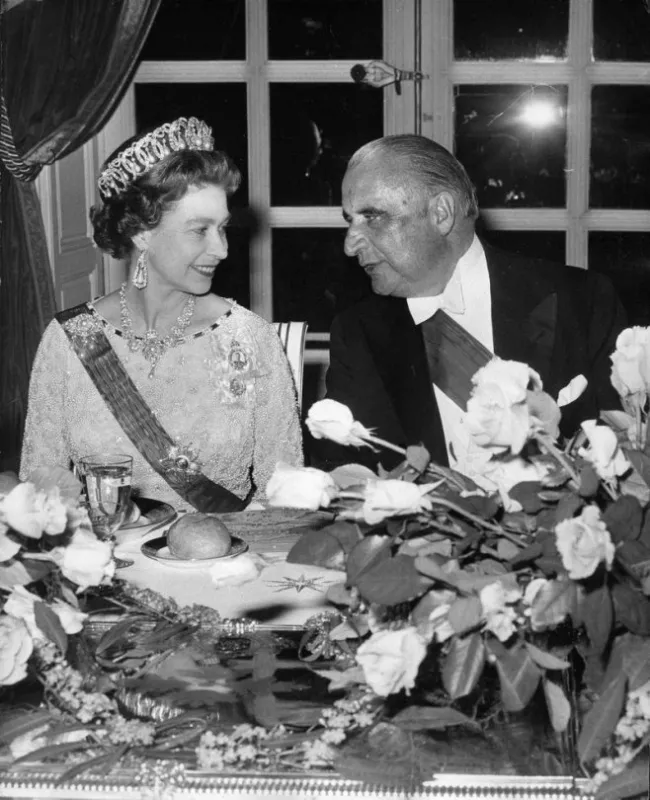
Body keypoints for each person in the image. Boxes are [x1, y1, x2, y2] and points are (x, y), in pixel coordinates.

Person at [20, 117, 303, 510]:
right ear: (141, 232)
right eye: (198, 230)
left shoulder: (249, 339)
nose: (221, 249)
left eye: (222, 228)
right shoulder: (69, 340)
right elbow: (39, 495)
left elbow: (286, 495)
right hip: (105, 562)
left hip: (219, 562)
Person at [311, 134, 626, 478]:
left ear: (441, 213)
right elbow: (345, 472)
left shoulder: (582, 300)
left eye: (372, 217)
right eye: (349, 220)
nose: (349, 245)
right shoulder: (358, 333)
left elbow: (632, 453)